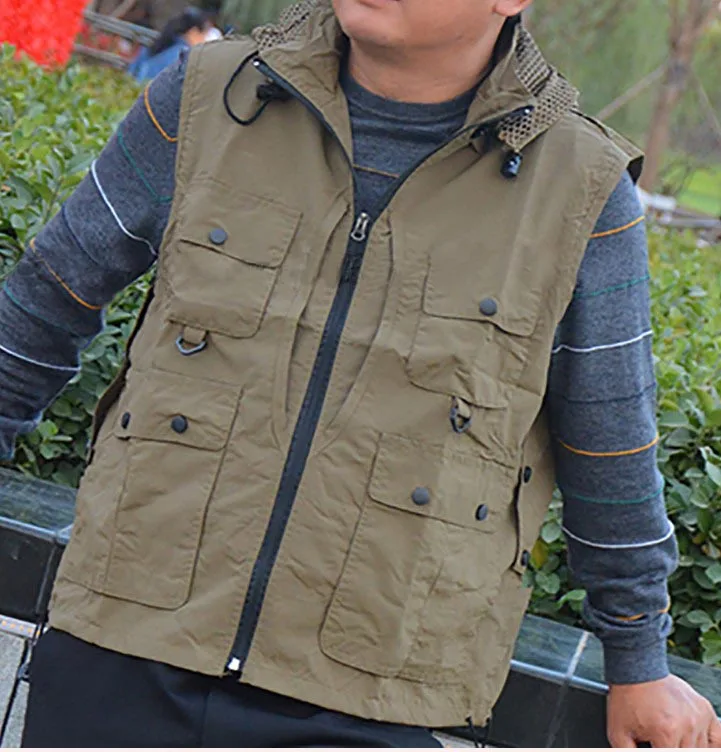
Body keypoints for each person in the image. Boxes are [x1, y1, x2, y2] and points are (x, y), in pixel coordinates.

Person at [2, 0, 720, 747]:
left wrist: (638, 658)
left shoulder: (580, 190)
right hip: (121, 646)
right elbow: (44, 303)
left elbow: (610, 441)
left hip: (367, 699)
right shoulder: (210, 96)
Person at [127, 6, 212, 82]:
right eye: (204, 35)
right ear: (193, 32)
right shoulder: (183, 56)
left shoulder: (162, 43)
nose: (204, 40)